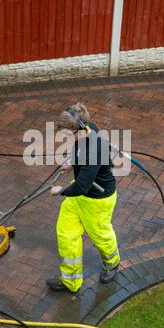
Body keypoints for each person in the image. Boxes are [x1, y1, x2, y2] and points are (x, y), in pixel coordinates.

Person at [46, 102, 120, 293]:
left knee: (101, 235)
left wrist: (60, 191)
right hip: (79, 196)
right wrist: (72, 163)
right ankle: (71, 281)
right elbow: (81, 156)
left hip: (97, 200)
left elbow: (81, 186)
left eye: (64, 132)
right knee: (66, 234)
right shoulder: (88, 129)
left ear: (75, 128)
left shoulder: (93, 148)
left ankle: (112, 263)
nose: (62, 136)